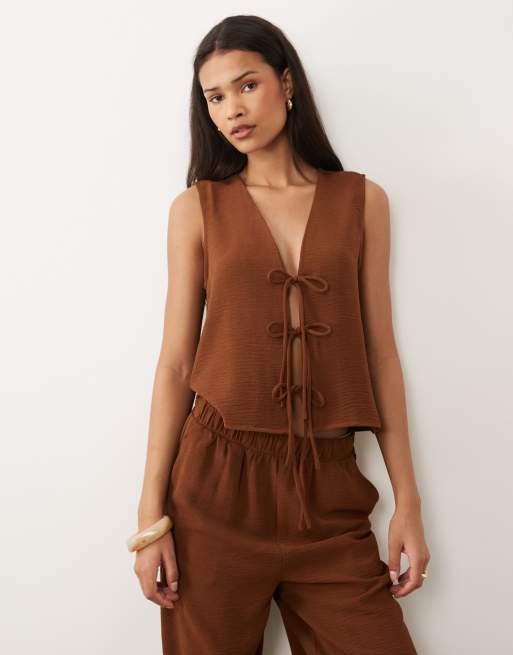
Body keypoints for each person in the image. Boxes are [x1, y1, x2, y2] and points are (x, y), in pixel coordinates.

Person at [129, 14, 430, 655]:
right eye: (215, 97)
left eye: (247, 85)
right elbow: (176, 364)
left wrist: (408, 501)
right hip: (214, 488)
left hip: (329, 493)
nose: (233, 109)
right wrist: (151, 518)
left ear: (286, 84)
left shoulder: (363, 202)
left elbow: (380, 353)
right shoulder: (196, 210)